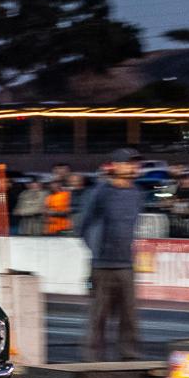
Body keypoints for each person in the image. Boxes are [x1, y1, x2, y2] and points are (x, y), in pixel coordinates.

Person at [76, 150, 146, 360]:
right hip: (102, 265)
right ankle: (93, 357)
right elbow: (83, 225)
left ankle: (129, 353)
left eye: (136, 164)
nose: (134, 167)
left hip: (126, 263)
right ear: (115, 166)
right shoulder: (99, 192)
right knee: (99, 314)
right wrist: (97, 250)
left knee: (129, 314)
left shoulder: (136, 193)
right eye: (129, 164)